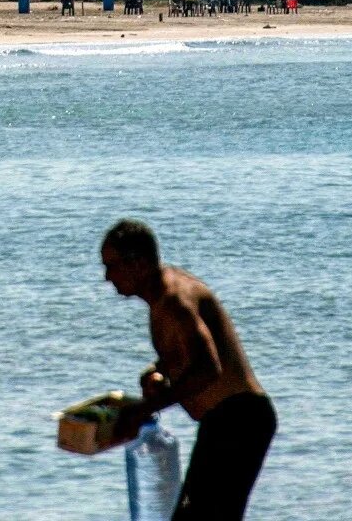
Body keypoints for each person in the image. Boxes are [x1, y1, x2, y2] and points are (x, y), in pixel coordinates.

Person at [102, 219, 275, 521]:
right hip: (230, 421)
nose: (107, 277)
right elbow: (191, 352)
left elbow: (210, 369)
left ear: (138, 262)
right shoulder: (166, 293)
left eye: (112, 266)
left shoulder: (174, 301)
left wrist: (144, 409)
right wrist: (159, 370)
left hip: (237, 419)